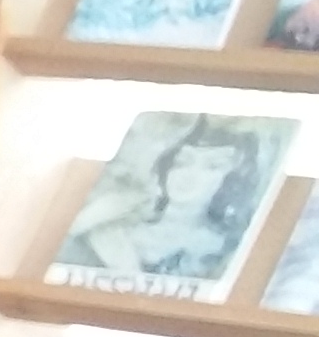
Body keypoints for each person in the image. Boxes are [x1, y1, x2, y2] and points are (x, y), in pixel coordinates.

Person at [63, 121, 275, 285]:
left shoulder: (227, 248)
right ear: (164, 167)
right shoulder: (107, 230)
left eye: (213, 166)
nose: (190, 176)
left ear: (232, 177)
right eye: (181, 162)